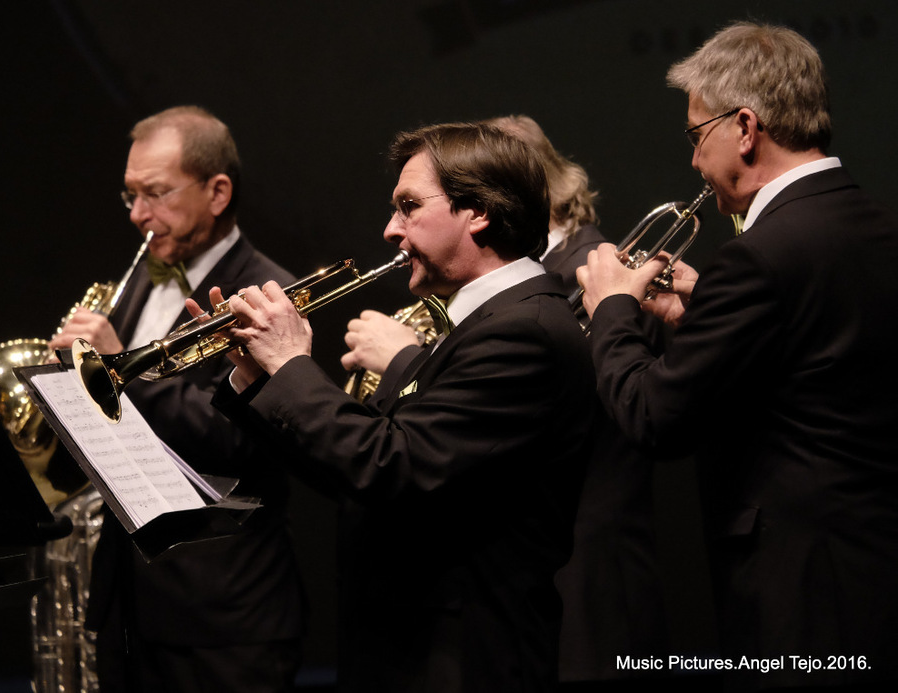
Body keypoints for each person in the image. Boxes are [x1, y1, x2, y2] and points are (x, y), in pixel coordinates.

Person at [195, 121, 597, 693]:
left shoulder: (523, 330)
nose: (390, 229)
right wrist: (259, 377)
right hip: (412, 649)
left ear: (478, 212)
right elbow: (351, 473)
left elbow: (389, 466)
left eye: (409, 206)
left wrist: (290, 364)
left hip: (460, 659)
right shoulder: (484, 322)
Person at [576, 22, 898, 691]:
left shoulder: (756, 255)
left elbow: (654, 417)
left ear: (745, 127)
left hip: (801, 590)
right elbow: (817, 366)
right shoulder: (875, 225)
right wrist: (704, 319)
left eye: (697, 135)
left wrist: (611, 307)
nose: (695, 162)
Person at [341, 114, 672, 688]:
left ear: (490, 197)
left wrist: (404, 358)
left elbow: (589, 401)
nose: (396, 226)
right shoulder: (507, 290)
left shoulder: (589, 276)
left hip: (578, 563)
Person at [48, 105, 306, 693]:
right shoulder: (140, 281)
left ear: (217, 193)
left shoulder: (275, 294)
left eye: (156, 194)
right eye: (131, 195)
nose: (139, 215)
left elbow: (240, 437)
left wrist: (119, 369)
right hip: (131, 602)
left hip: (223, 613)